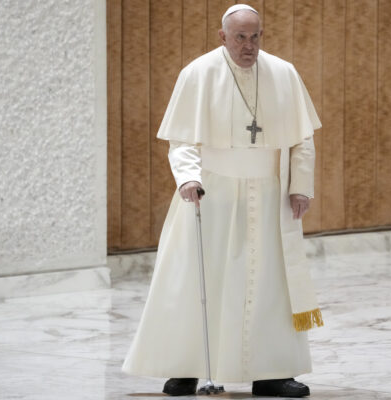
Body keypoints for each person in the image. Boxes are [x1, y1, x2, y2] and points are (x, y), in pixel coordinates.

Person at [122, 4, 323, 398]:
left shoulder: (283, 73)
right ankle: (185, 368)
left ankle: (273, 373)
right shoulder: (197, 73)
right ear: (222, 37)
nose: (248, 46)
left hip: (267, 193)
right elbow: (182, 139)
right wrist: (189, 178)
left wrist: (300, 186)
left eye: (255, 37)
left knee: (268, 283)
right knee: (197, 279)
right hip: (211, 194)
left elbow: (303, 139)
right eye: (240, 38)